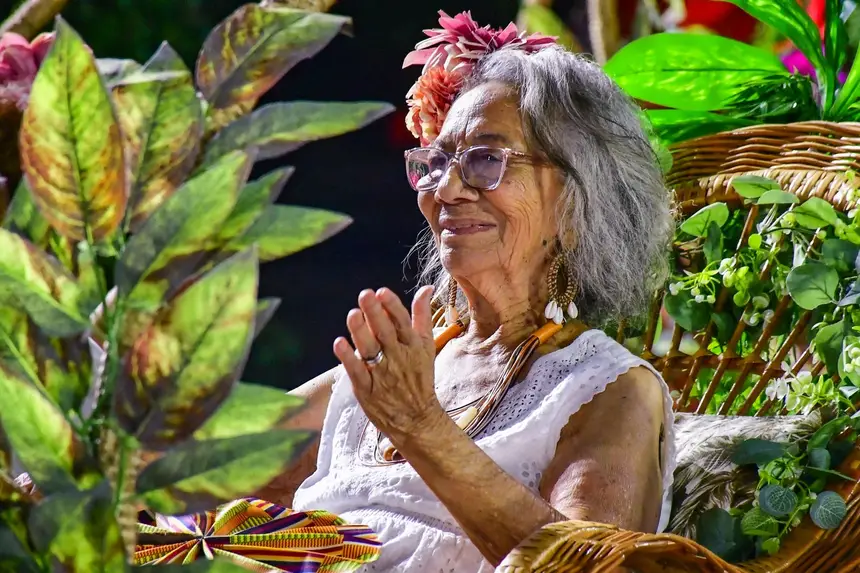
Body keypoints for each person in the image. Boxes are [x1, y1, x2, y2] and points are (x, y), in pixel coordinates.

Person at [257, 11, 676, 572]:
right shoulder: (404, 364)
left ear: (577, 201)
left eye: (486, 160)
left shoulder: (610, 390)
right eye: (436, 163)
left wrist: (423, 430)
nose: (447, 189)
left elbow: (586, 564)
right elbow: (216, 461)